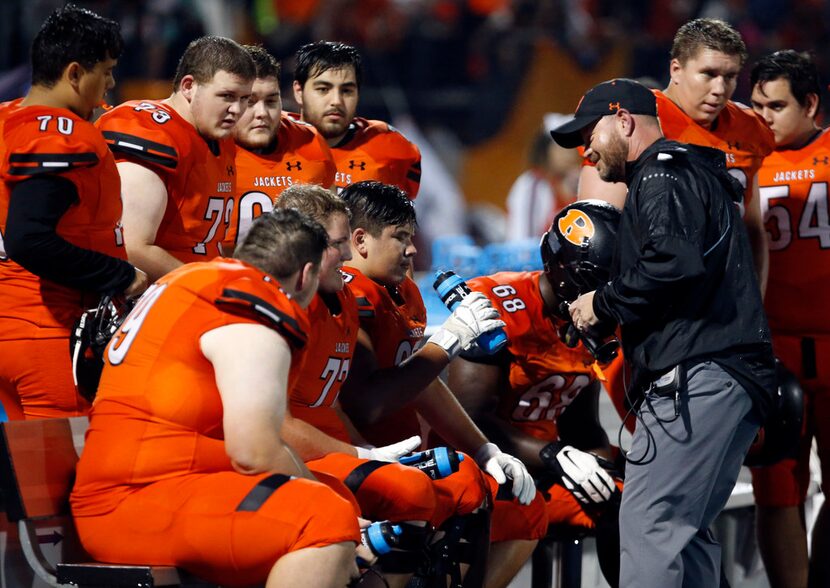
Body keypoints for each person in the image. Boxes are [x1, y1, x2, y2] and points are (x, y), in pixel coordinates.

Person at [551, 78, 775, 588]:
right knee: (685, 529)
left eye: (590, 133)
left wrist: (600, 304)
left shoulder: (661, 174)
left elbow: (672, 265)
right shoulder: (687, 170)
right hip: (727, 372)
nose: (585, 150)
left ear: (624, 121)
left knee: (649, 521)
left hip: (702, 374)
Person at [71, 209, 363, 588]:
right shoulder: (253, 303)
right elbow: (253, 452)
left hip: (150, 484)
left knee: (335, 498)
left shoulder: (195, 277)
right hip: (135, 498)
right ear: (306, 274)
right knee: (323, 517)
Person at [337, 181, 548, 588]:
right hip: (355, 453)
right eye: (401, 238)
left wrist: (483, 447)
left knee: (518, 503)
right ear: (360, 240)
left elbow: (422, 380)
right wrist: (447, 343)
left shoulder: (398, 289)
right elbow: (365, 404)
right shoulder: (351, 294)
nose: (414, 249)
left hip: (394, 452)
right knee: (449, 489)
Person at [579, 18, 775, 428]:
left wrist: (751, 308)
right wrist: (607, 311)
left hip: (722, 320)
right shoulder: (639, 118)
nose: (720, 89)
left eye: (730, 76)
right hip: (656, 316)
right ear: (676, 69)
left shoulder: (749, 129)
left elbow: (752, 229)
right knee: (664, 447)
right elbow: (597, 237)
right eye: (708, 74)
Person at [448, 200, 624, 587]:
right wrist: (552, 454)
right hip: (487, 469)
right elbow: (465, 423)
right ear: (561, 268)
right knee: (517, 511)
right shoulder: (499, 303)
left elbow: (581, 426)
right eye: (597, 279)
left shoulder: (592, 319)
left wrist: (602, 465)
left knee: (635, 501)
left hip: (548, 469)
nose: (605, 292)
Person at [0, 4, 148, 420]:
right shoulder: (60, 133)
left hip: (10, 327)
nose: (112, 82)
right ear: (75, 74)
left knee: (24, 479)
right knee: (72, 479)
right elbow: (28, 238)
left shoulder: (7, 119)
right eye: (106, 69)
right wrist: (120, 275)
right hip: (48, 331)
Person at [749, 50, 830, 588]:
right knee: (777, 491)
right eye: (756, 105)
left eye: (776, 106)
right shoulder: (741, 156)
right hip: (771, 348)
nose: (764, 117)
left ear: (811, 104)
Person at [96, 35, 255, 281]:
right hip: (154, 299)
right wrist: (206, 286)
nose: (237, 109)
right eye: (227, 96)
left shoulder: (219, 138)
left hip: (193, 287)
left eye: (245, 99)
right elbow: (133, 246)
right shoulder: (152, 132)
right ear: (188, 86)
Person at [228, 45, 336, 247]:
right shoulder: (203, 148)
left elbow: (335, 234)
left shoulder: (310, 142)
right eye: (250, 102)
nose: (262, 113)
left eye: (271, 101)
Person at [292, 41, 421, 198]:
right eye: (323, 89)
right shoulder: (270, 142)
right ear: (299, 92)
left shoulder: (389, 147)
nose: (336, 100)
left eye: (346, 90)